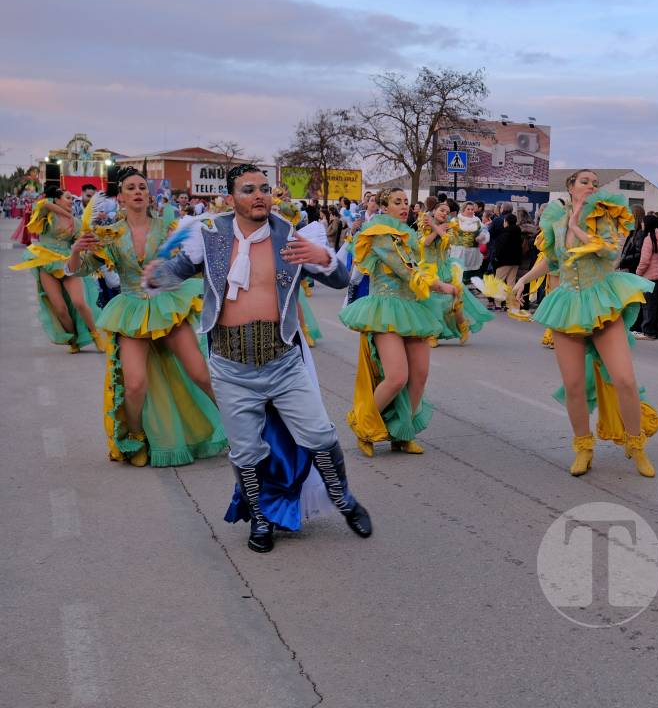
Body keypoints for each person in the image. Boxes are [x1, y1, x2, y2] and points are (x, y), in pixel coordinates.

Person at [143, 164, 372, 553]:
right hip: (230, 366)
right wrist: (156, 275)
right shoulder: (211, 236)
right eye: (248, 189)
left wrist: (325, 257)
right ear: (232, 198)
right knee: (246, 450)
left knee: (318, 434)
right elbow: (177, 272)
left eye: (264, 188)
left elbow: (340, 280)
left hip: (283, 362)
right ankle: (261, 518)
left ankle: (345, 501)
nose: (259, 195)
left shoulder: (289, 234)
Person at [66, 166, 227, 466]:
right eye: (131, 188)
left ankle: (239, 429)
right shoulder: (109, 235)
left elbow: (192, 258)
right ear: (120, 197)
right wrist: (76, 250)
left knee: (201, 374)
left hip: (167, 305)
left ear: (149, 195)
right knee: (135, 384)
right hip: (132, 310)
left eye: (142, 187)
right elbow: (81, 270)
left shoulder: (168, 226)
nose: (138, 191)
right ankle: (136, 436)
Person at [512, 170, 658, 477]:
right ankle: (583, 447)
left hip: (601, 299)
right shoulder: (554, 216)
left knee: (625, 380)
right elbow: (552, 259)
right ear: (570, 186)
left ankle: (636, 444)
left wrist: (578, 223)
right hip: (568, 303)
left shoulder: (605, 214)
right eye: (584, 182)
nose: (591, 186)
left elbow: (610, 254)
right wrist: (524, 280)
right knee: (574, 385)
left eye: (594, 183)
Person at [340, 188, 456, 457]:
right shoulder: (379, 232)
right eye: (397, 202)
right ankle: (363, 425)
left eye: (406, 202)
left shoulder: (409, 235)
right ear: (384, 206)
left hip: (413, 308)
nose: (404, 206)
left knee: (419, 375)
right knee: (396, 377)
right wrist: (441, 286)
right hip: (386, 309)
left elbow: (421, 265)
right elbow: (407, 271)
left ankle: (402, 433)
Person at [9, 186, 103, 353]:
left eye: (71, 199)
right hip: (46, 262)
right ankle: (72, 339)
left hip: (67, 262)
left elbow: (83, 241)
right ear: (57, 200)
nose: (71, 201)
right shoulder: (47, 214)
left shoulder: (75, 223)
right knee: (59, 308)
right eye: (67, 197)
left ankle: (96, 336)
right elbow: (44, 203)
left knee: (79, 302)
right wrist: (66, 214)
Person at [421, 201, 493, 344]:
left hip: (442, 267)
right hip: (427, 268)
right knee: (429, 301)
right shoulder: (423, 224)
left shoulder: (450, 227)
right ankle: (432, 333)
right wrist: (435, 228)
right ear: (434, 211)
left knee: (451, 302)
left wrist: (436, 226)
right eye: (441, 210)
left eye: (447, 212)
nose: (444, 214)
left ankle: (462, 326)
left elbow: (448, 241)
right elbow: (425, 243)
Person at [633, 213, 658, 340]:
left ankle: (648, 332)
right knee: (655, 305)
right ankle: (656, 331)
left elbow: (645, 261)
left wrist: (638, 273)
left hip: (649, 276)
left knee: (648, 306)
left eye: (643, 222)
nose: (641, 224)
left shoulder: (648, 239)